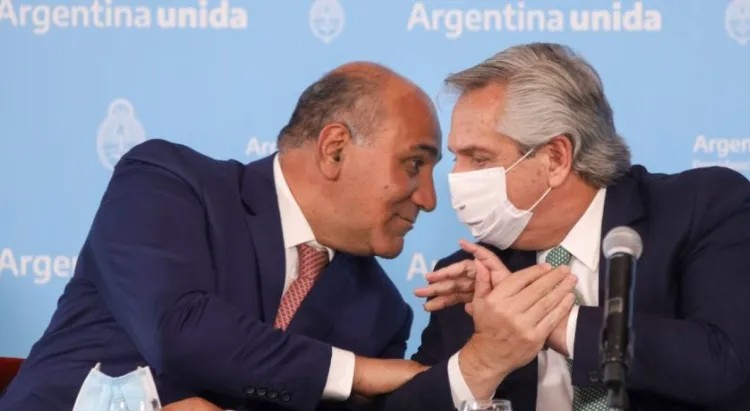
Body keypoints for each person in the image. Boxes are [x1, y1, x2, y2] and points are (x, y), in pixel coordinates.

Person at [0, 62, 444, 411]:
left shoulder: (382, 314)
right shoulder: (168, 182)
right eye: (413, 165)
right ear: (335, 149)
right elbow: (178, 330)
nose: (428, 198)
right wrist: (354, 372)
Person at [409, 42, 750, 411]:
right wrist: (481, 362)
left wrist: (553, 322)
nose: (457, 179)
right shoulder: (471, 278)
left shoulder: (701, 209)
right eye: (456, 159)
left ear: (556, 158)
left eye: (479, 158)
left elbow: (727, 362)